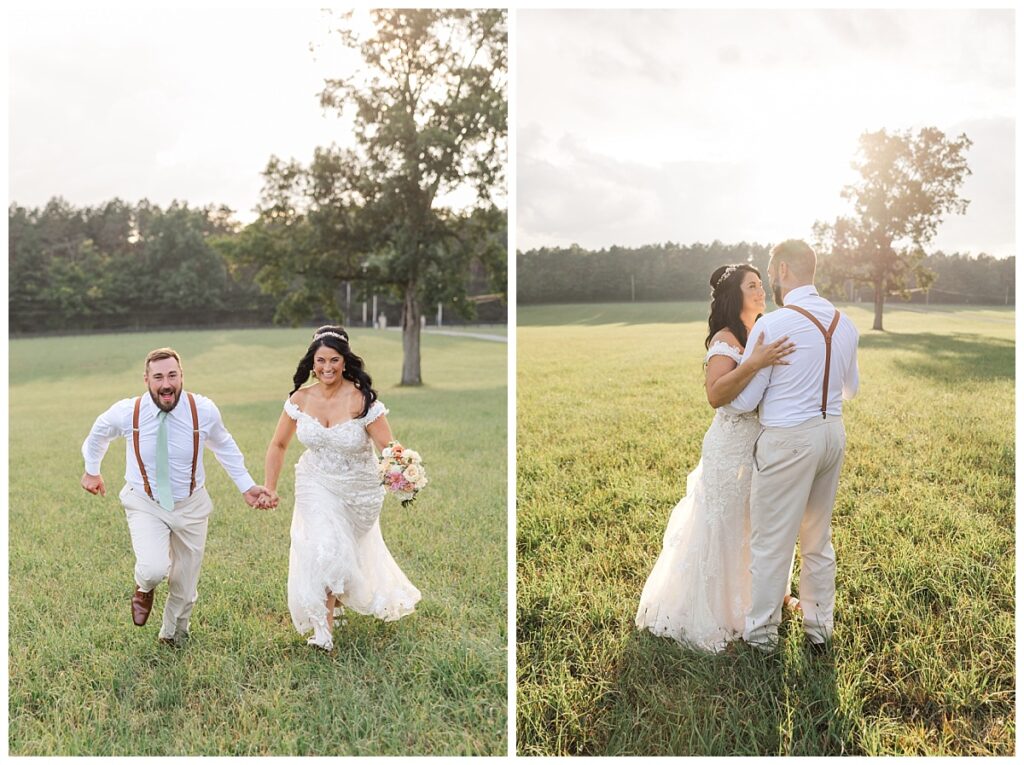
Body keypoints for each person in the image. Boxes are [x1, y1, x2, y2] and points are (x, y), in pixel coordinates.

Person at [635, 263, 796, 652]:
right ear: (734, 296)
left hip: (760, 445)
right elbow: (715, 395)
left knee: (756, 523)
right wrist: (755, 362)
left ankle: (762, 600)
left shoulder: (762, 330)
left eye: (761, 285)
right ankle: (719, 612)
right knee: (724, 524)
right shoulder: (725, 339)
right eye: (752, 286)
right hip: (729, 449)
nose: (761, 292)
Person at [81, 348, 273, 645]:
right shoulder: (127, 411)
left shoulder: (204, 410)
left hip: (191, 504)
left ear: (182, 376)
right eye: (158, 377)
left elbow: (224, 445)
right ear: (146, 379)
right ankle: (144, 587)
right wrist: (92, 471)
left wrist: (246, 486)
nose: (166, 383)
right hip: (144, 501)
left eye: (172, 375)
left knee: (185, 583)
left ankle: (172, 635)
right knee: (154, 568)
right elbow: (98, 434)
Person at [728, 240, 859, 653]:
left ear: (783, 269)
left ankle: (762, 638)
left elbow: (744, 401)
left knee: (771, 542)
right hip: (832, 434)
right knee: (818, 539)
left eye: (770, 269)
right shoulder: (846, 323)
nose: (768, 278)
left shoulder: (774, 324)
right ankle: (819, 631)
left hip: (786, 441)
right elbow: (849, 390)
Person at [263, 326, 421, 652]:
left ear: (345, 361)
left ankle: (335, 599)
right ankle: (323, 632)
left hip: (359, 490)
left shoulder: (363, 401)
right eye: (321, 360)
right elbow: (278, 445)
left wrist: (404, 474)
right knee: (326, 547)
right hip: (314, 480)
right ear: (312, 362)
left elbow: (388, 447)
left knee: (341, 552)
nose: (327, 367)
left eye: (334, 360)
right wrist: (270, 487)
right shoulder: (300, 399)